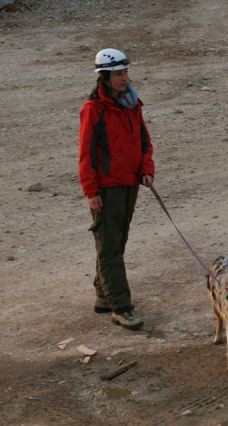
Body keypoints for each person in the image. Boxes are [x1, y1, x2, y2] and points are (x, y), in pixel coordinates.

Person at [78, 48, 155, 330]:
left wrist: (146, 170)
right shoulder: (93, 110)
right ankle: (121, 307)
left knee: (115, 243)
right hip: (106, 189)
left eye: (126, 72)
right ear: (105, 77)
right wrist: (91, 190)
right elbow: (86, 154)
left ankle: (103, 296)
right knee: (110, 248)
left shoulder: (132, 104)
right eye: (119, 74)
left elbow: (144, 141)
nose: (125, 78)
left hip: (129, 184)